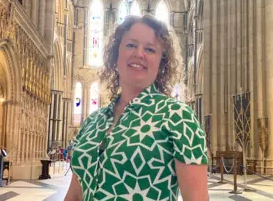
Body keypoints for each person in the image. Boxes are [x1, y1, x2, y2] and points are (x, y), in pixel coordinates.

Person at [64, 15, 209, 201]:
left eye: (149, 49)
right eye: (131, 45)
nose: (139, 54)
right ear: (116, 55)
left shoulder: (178, 117)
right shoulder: (94, 121)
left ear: (161, 63)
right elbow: (75, 193)